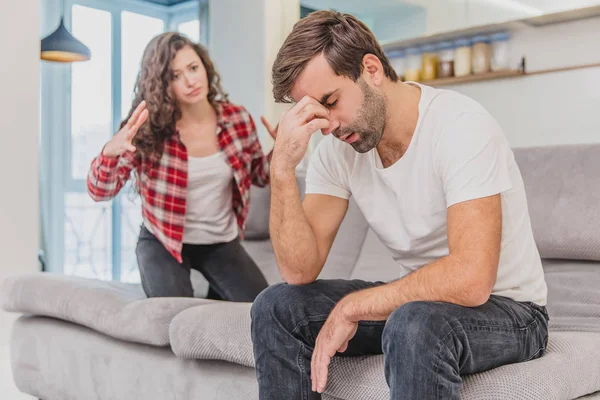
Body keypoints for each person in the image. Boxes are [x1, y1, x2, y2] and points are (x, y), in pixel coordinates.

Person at [251, 10, 549, 399]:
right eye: (315, 113)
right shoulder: (337, 152)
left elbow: (473, 279)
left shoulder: (460, 126)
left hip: (512, 311)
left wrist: (353, 307)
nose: (330, 125)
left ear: (371, 70)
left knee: (414, 323)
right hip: (425, 304)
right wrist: (282, 169)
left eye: (332, 101)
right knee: (276, 307)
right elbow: (298, 270)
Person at [87, 32, 276, 302]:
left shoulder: (236, 118)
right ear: (162, 85)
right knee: (174, 318)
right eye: (175, 76)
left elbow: (259, 175)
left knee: (262, 308)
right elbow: (99, 192)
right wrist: (109, 153)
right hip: (163, 240)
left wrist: (283, 150)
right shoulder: (146, 127)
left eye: (193, 68)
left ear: (204, 66)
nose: (190, 81)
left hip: (221, 242)